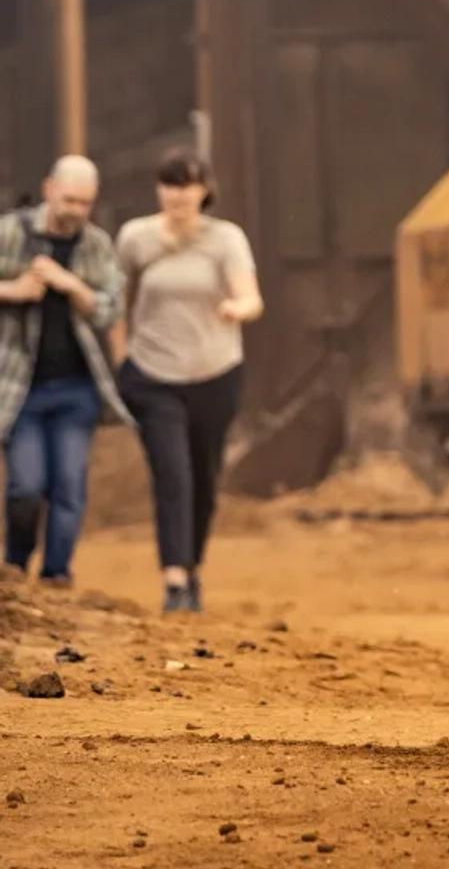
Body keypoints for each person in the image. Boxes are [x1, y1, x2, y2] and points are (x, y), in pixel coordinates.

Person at [115, 150, 263, 614]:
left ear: (205, 190)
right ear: (159, 189)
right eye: (169, 183)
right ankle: (174, 579)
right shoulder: (136, 237)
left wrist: (236, 309)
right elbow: (115, 302)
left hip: (215, 373)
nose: (178, 194)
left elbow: (250, 298)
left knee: (204, 476)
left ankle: (192, 565)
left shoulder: (226, 239)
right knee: (172, 473)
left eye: (187, 184)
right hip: (154, 373)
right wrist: (121, 359)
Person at [0, 156, 127, 588]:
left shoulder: (95, 245)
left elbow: (111, 307)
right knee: (26, 487)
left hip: (78, 389)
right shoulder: (11, 232)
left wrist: (71, 284)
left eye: (85, 202)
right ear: (49, 188)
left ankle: (57, 576)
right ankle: (15, 568)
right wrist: (13, 290)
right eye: (69, 199)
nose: (75, 209)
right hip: (20, 389)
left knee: (68, 485)